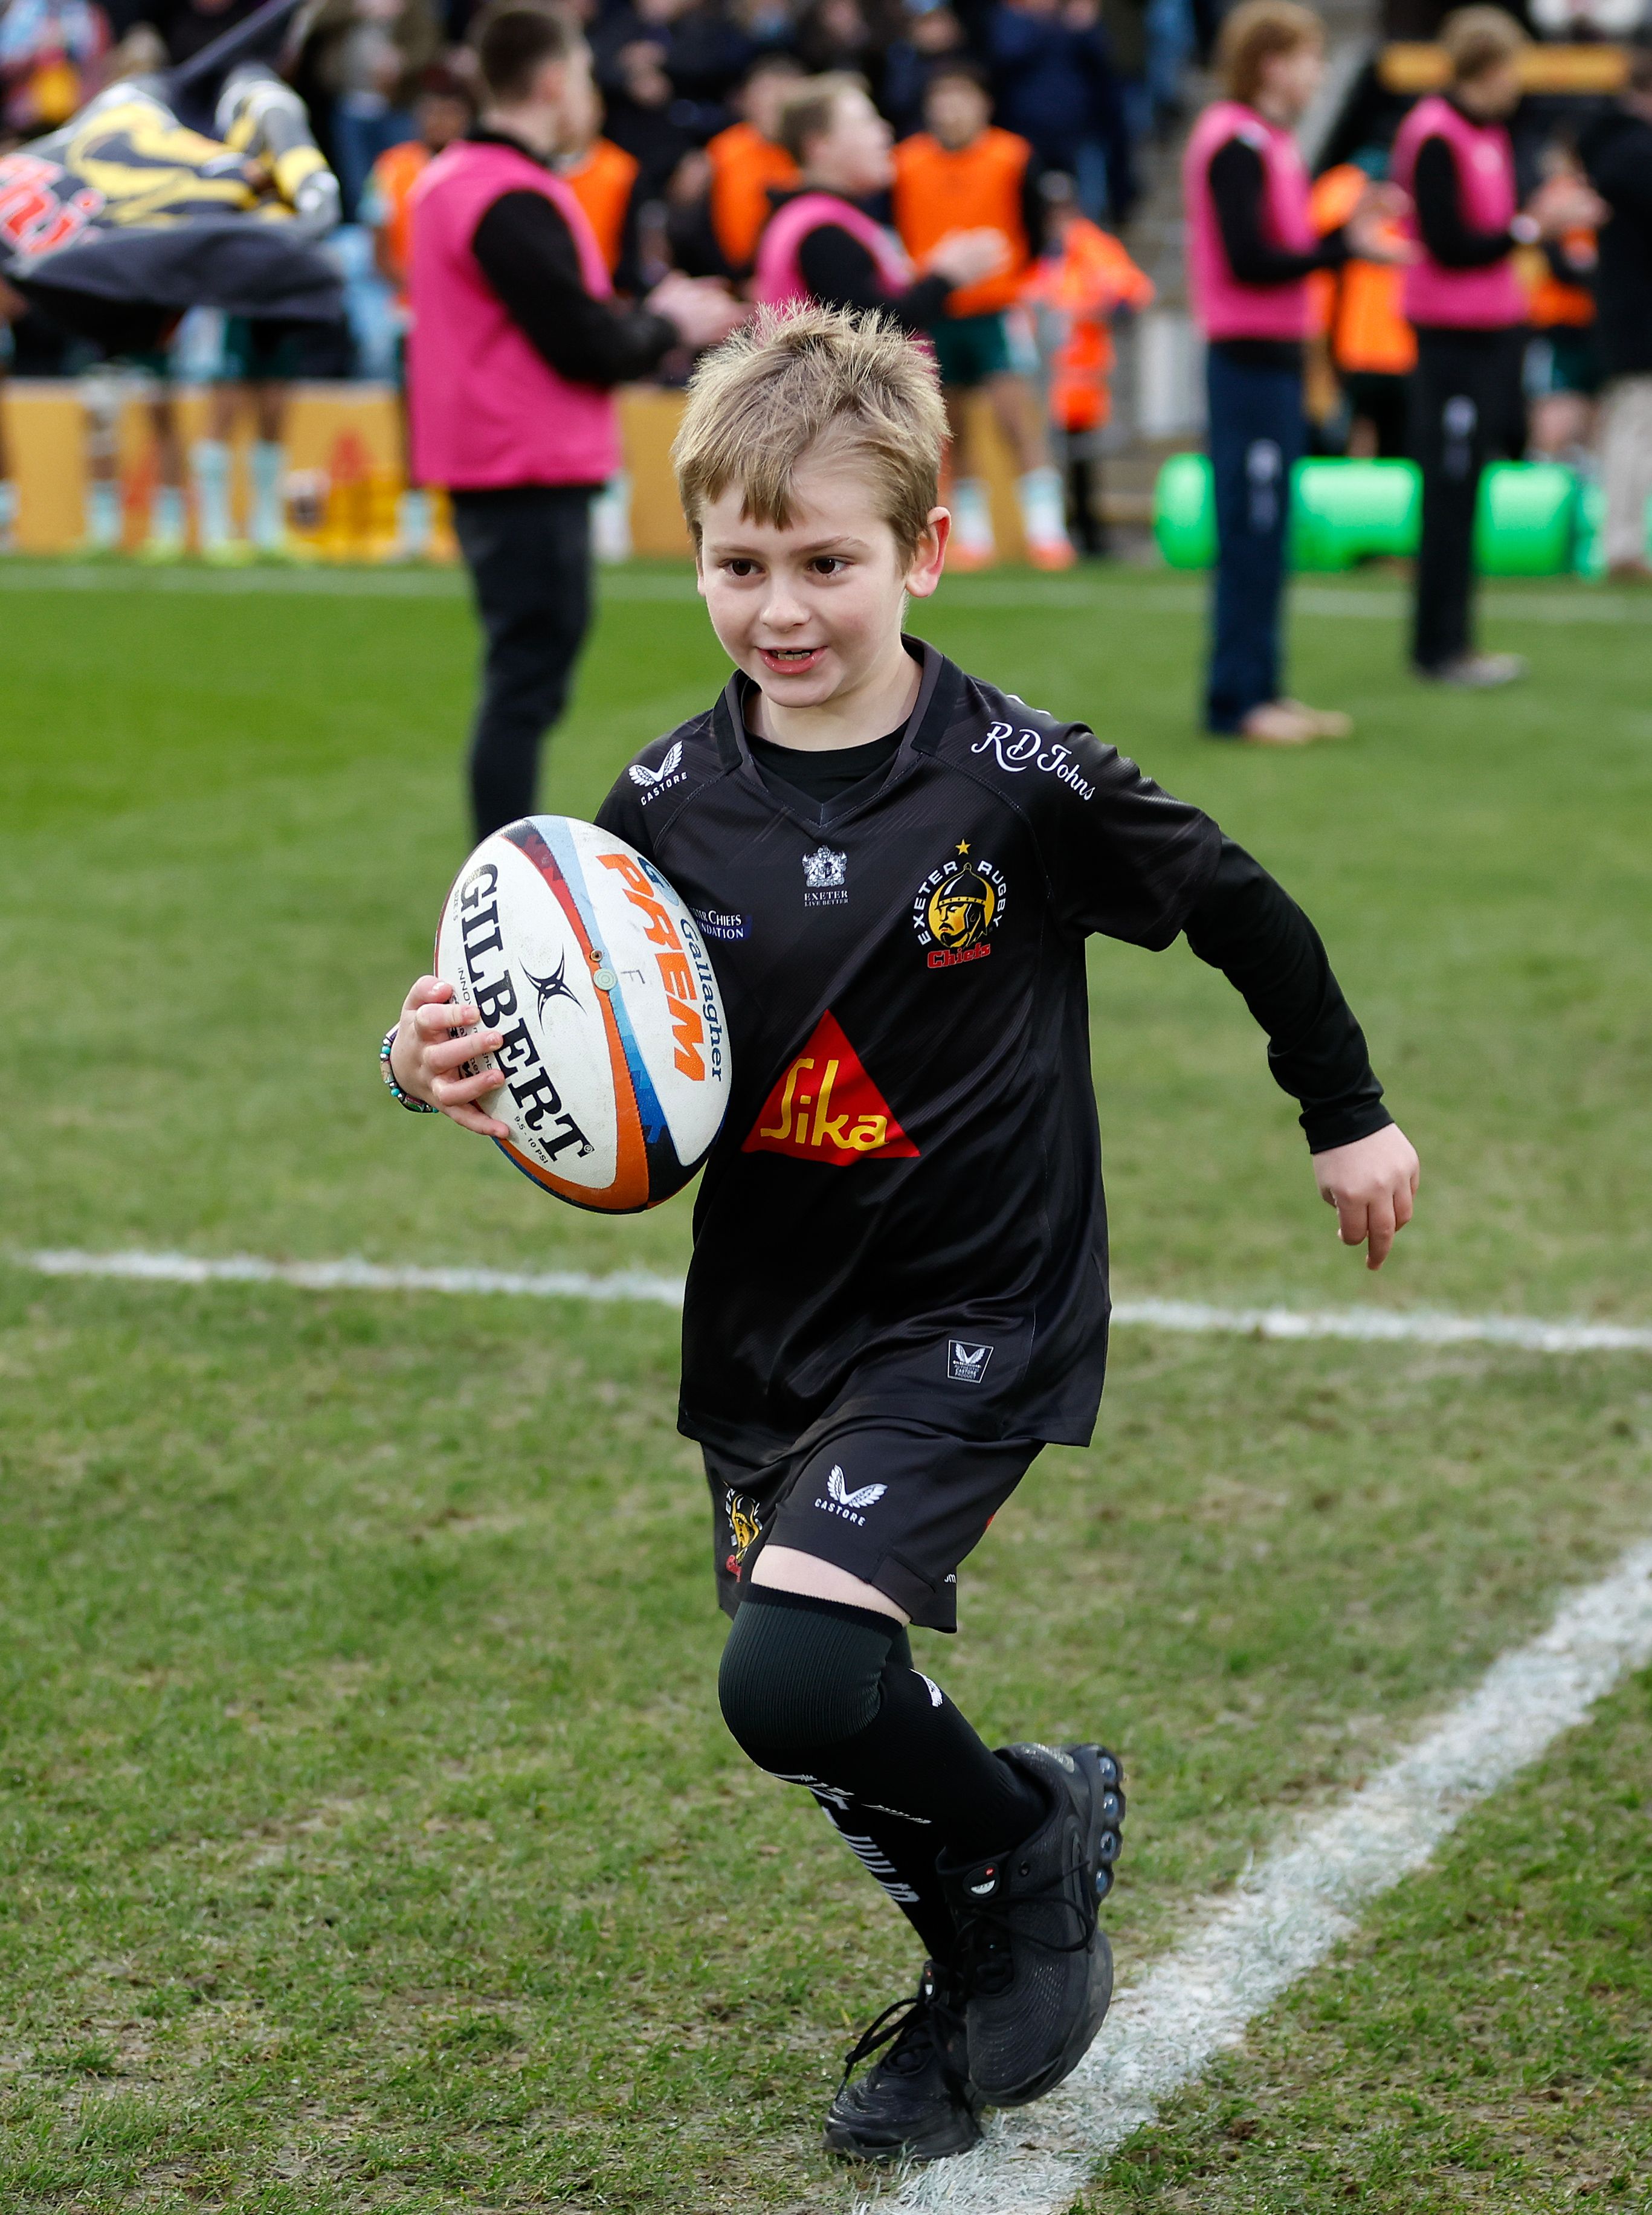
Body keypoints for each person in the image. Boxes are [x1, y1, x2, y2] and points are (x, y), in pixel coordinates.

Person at [381, 301, 1421, 2166]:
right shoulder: (653, 812)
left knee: (783, 1673)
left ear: (923, 552)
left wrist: (1340, 1111)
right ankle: (991, 1948)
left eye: (826, 562)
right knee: (820, 1703)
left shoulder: (1017, 779)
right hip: (772, 1322)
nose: (780, 606)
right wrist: (427, 1057)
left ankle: (1020, 1852)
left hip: (975, 1302)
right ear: (690, 550)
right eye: (737, 560)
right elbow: (588, 1059)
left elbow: (1241, 906)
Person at [407, 1, 743, 840]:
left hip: (498, 455)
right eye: (587, 78)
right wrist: (674, 326)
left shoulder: (455, 180)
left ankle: (503, 859)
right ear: (554, 81)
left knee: (525, 676)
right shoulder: (504, 191)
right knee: (526, 681)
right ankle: (504, 871)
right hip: (522, 460)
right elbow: (581, 340)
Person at [1183, 0, 1404, 744]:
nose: (1317, 72)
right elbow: (1251, 260)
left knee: (1270, 529)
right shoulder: (1234, 143)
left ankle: (1265, 689)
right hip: (1245, 363)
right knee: (1250, 528)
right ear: (1272, 62)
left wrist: (1339, 241)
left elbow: (1282, 249)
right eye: (1308, 57)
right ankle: (1235, 702)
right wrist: (1341, 248)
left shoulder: (1267, 142)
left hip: (1273, 363)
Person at [1390, 6, 1602, 685]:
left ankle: (1458, 640)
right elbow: (1450, 243)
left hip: (1487, 332)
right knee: (1448, 486)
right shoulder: (1434, 134)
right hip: (1449, 336)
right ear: (1488, 65)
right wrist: (1531, 226)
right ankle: (1437, 648)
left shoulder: (1484, 132)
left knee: (1467, 482)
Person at [891, 60, 1074, 569]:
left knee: (1015, 416)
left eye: (962, 96)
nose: (951, 108)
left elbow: (1036, 228)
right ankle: (971, 538)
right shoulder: (906, 163)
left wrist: (1012, 277)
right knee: (952, 431)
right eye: (942, 97)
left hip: (996, 308)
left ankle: (1047, 532)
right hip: (935, 310)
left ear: (983, 105)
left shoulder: (1011, 157)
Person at [753, 72, 1007, 329]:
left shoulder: (806, 215)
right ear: (820, 146)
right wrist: (944, 278)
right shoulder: (823, 230)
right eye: (866, 122)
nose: (885, 131)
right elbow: (870, 329)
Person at [362, 63, 476, 559]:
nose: (440, 121)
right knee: (410, 419)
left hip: (464, 321)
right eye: (432, 111)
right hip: (409, 314)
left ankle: (461, 522)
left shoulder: (476, 167)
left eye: (450, 112)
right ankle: (414, 525)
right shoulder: (392, 167)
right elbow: (379, 244)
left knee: (464, 417)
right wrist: (418, 290)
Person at [1021, 170, 1153, 554]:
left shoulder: (1090, 247)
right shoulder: (1039, 252)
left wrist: (1099, 308)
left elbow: (1129, 293)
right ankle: (1060, 532)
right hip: (1044, 374)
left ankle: (1088, 533)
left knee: (1083, 457)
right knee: (1056, 456)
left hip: (1083, 373)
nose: (1056, 218)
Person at [1579, 44, 1652, 580]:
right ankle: (1621, 545)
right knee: (1636, 424)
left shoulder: (1612, 146)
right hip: (1638, 312)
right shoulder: (1634, 152)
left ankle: (1624, 541)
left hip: (1625, 307)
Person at [987, 0, 1135, 225]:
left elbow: (1104, 61)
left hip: (1078, 133)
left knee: (1086, 212)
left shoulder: (1077, 18)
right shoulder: (1011, 17)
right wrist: (1048, 25)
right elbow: (1006, 54)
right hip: (1027, 136)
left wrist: (1087, 26)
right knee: (1031, 212)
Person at [1307, 155, 1415, 460]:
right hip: (1359, 349)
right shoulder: (1347, 196)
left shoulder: (1404, 221)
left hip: (1397, 350)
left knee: (1392, 431)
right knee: (1361, 426)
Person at [703, 51, 802, 278]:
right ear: (748, 101)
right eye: (767, 97)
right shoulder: (721, 152)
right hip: (731, 277)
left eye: (783, 98)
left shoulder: (809, 155)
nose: (774, 106)